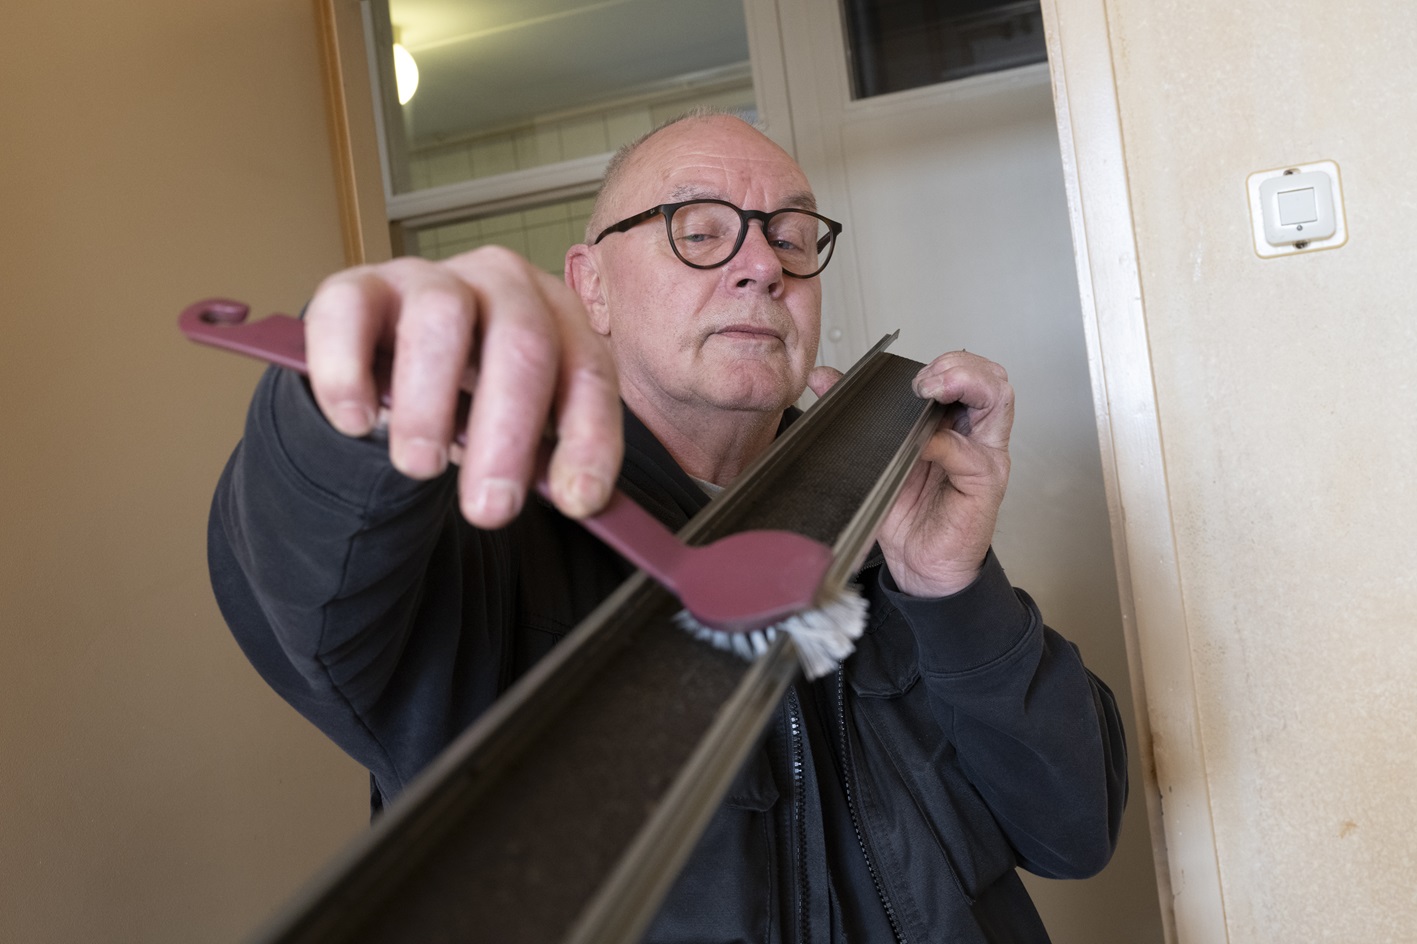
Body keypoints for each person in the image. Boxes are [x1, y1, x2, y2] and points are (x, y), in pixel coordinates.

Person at [209, 111, 1127, 943]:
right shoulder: (477, 536)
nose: (763, 265)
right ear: (591, 286)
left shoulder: (885, 506)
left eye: (791, 236)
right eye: (698, 230)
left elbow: (1072, 830)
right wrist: (359, 396)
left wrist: (951, 592)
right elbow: (299, 565)